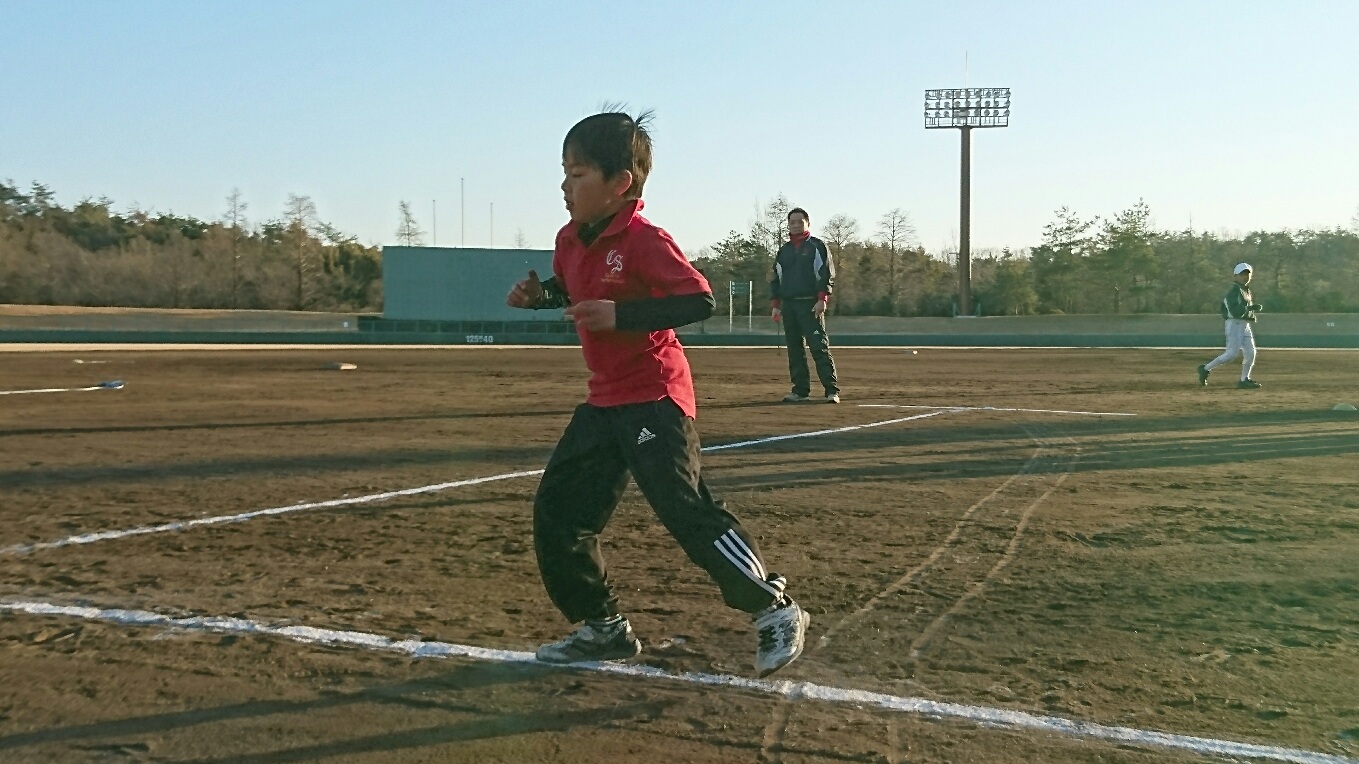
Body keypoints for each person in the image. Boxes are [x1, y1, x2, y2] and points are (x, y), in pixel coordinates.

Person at [505, 111, 809, 678]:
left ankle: (773, 606)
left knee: (681, 505)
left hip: (655, 395)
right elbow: (572, 288)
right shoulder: (568, 240)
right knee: (560, 511)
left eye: (577, 174)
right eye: (564, 173)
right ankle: (603, 628)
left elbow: (698, 301)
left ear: (620, 184)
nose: (565, 187)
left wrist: (621, 315)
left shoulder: (646, 241)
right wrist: (540, 294)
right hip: (605, 400)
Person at [770, 208, 840, 403]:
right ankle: (800, 391)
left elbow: (826, 273)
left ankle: (831, 390)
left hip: (811, 304)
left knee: (819, 347)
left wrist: (822, 299)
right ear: (788, 225)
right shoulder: (783, 251)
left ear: (807, 223)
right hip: (789, 306)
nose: (796, 225)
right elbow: (776, 278)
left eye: (800, 221)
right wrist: (776, 305)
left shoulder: (817, 246)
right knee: (795, 350)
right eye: (792, 222)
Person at [1198, 262, 1263, 389]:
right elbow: (1234, 311)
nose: (1245, 276)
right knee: (1231, 354)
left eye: (1247, 274)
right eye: (1242, 274)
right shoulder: (1234, 291)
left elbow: (1242, 309)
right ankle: (1205, 369)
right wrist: (1251, 308)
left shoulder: (1245, 290)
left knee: (1251, 353)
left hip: (1243, 324)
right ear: (1235, 276)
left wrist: (1250, 309)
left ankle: (1244, 379)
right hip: (1234, 323)